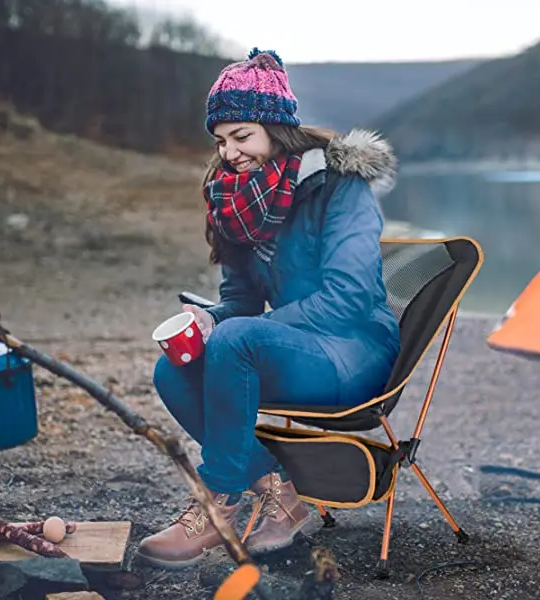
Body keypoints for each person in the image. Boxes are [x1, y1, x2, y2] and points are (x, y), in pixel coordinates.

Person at [136, 48, 401, 569]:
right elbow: (240, 300)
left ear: (277, 131)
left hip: (355, 352)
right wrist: (212, 318)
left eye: (242, 137)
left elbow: (347, 299)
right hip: (290, 348)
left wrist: (245, 329)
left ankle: (217, 506)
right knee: (174, 369)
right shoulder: (235, 199)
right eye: (221, 140)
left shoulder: (339, 187)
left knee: (238, 340)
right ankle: (281, 492)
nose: (229, 152)